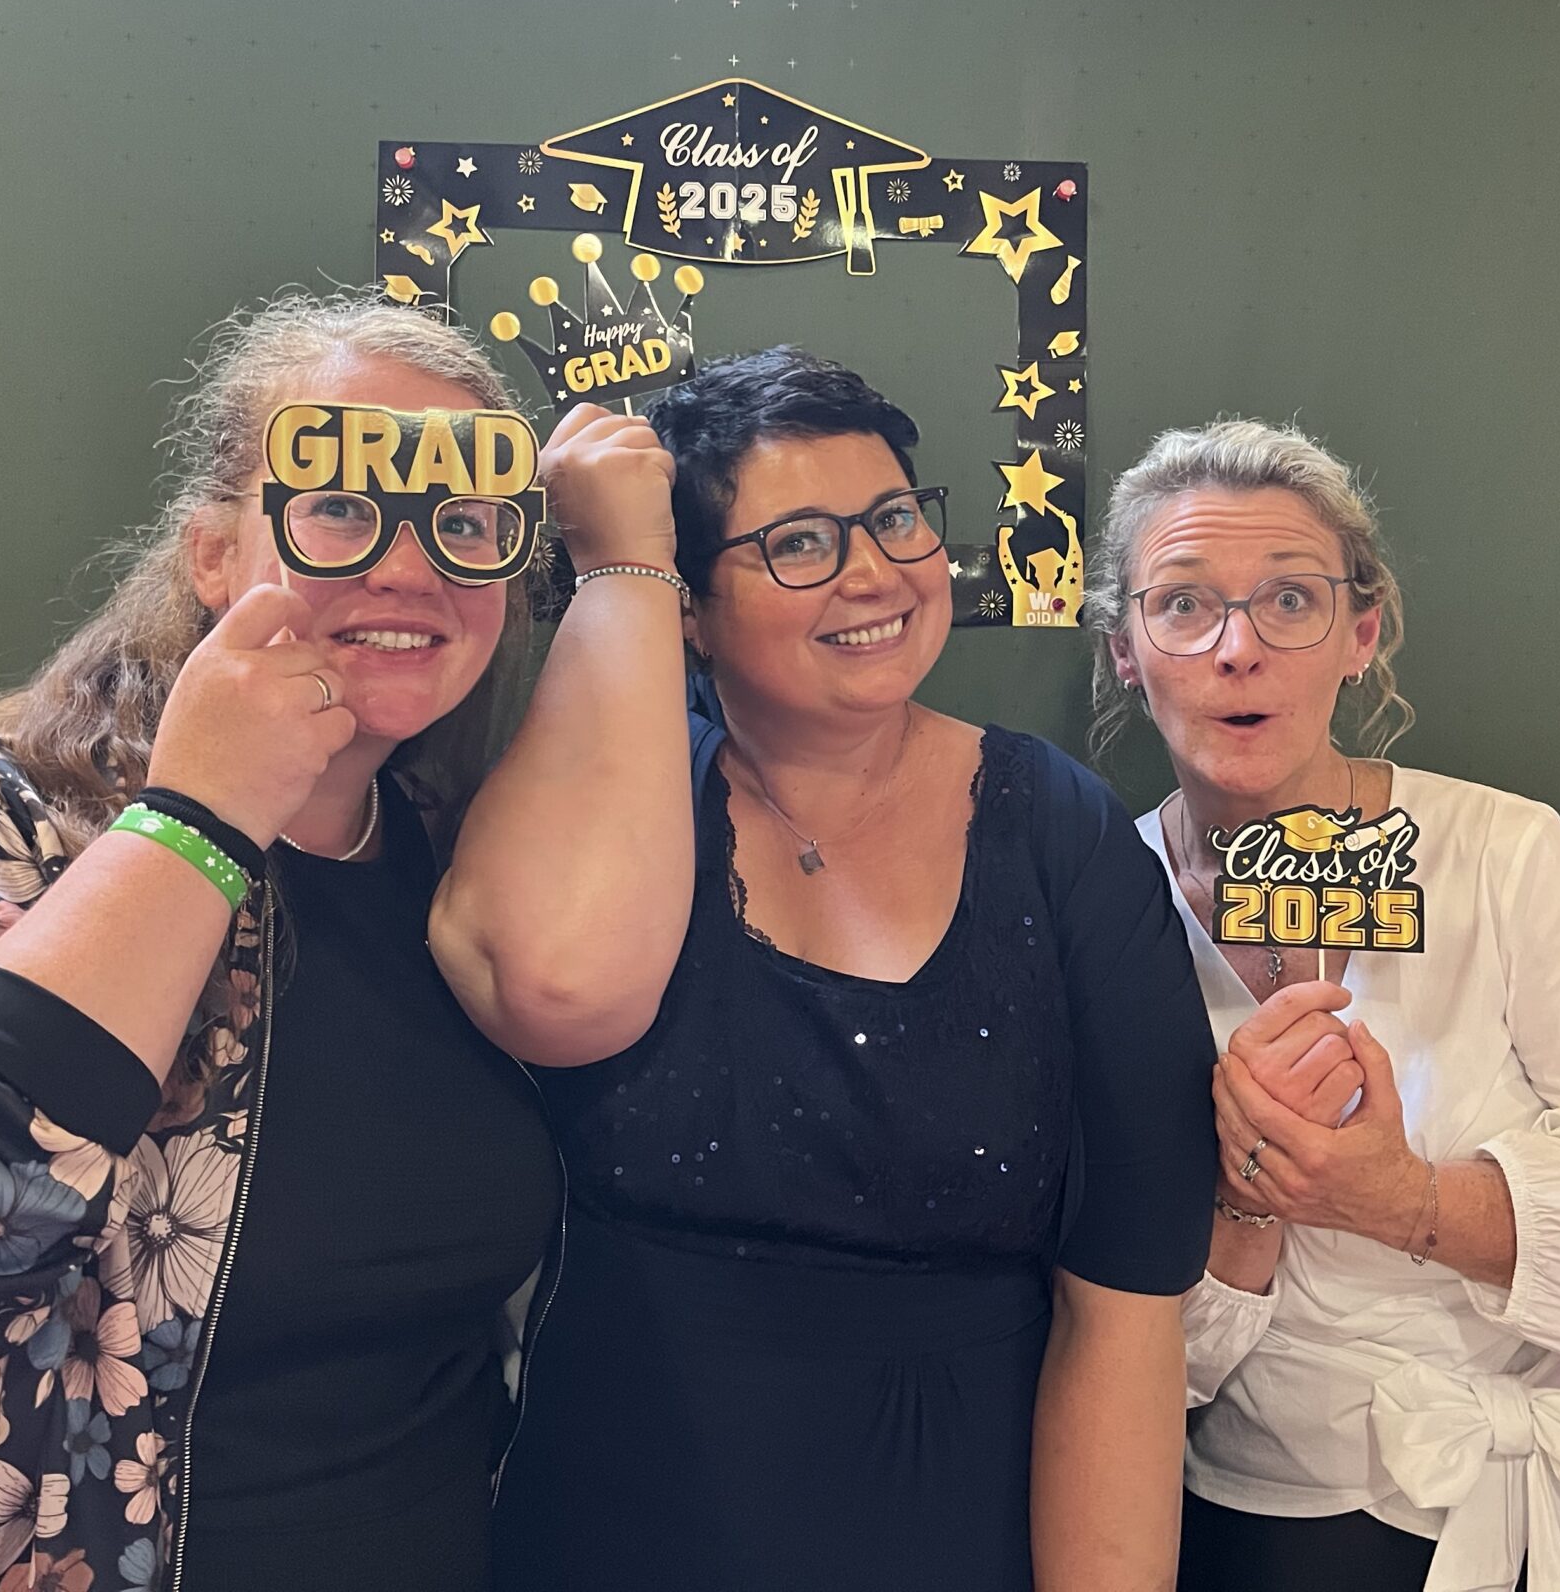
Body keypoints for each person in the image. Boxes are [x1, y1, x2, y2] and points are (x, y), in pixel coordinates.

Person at [0, 291, 691, 1592]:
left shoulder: (458, 874)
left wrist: (631, 564)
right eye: (342, 505)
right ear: (212, 555)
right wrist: (199, 819)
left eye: (464, 523)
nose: (411, 569)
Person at [489, 347, 1218, 1592]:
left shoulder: (1060, 832)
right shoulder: (606, 810)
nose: (874, 571)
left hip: (965, 1528)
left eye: (892, 517)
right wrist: (616, 569)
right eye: (799, 544)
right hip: (612, 1520)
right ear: (686, 605)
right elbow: (537, 983)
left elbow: (1127, 1304)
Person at [1083, 419, 1560, 1592]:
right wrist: (1245, 1206)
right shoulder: (1096, 902)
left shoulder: (1504, 855)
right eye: (1183, 604)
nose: (1238, 648)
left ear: (1359, 634)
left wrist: (1404, 1199)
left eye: (1290, 600)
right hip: (1269, 1527)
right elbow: (1127, 1362)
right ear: (1126, 650)